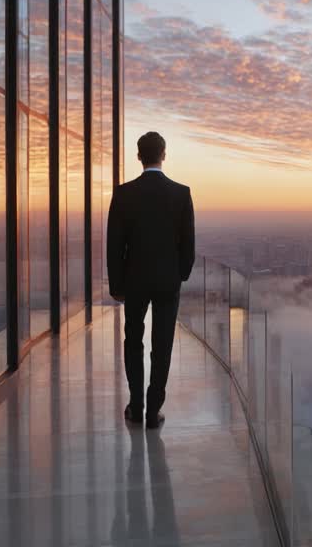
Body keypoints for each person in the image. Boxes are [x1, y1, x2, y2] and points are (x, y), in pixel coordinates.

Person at [107, 131, 195, 428]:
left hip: (134, 281)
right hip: (168, 280)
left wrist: (116, 284)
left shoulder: (123, 193)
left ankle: (136, 404)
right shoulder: (181, 193)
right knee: (163, 345)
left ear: (139, 156)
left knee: (133, 340)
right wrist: (180, 274)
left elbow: (114, 243)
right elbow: (188, 244)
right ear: (164, 154)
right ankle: (153, 410)